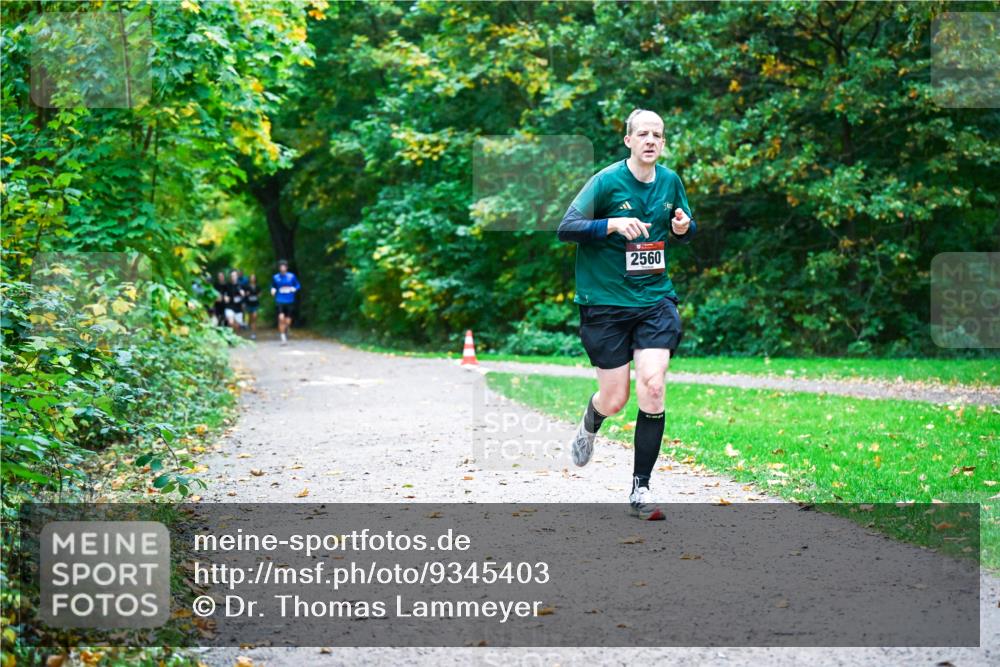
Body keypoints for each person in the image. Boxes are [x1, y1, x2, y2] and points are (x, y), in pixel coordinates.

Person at [556, 108, 697, 521]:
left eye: (658, 134)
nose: (651, 140)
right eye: (643, 134)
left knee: (653, 386)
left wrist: (684, 227)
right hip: (604, 303)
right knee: (616, 398)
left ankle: (641, 487)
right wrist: (612, 225)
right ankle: (591, 421)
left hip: (654, 299)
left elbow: (683, 228)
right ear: (629, 141)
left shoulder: (671, 181)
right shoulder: (605, 181)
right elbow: (567, 227)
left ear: (663, 142)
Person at [270, 259, 300, 345]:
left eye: (284, 267)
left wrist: (294, 288)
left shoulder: (292, 276)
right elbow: (273, 286)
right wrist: (273, 290)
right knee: (281, 318)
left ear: (286, 268)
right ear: (279, 268)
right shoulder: (275, 277)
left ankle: (286, 330)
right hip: (280, 300)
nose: (282, 268)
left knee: (287, 321)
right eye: (281, 267)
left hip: (290, 300)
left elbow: (297, 285)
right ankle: (283, 337)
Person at [222, 269, 245, 334]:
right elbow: (224, 294)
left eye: (234, 276)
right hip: (229, 306)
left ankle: (235, 337)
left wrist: (243, 294)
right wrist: (225, 297)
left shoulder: (241, 285)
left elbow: (245, 295)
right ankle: (231, 336)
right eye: (232, 276)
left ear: (237, 276)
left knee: (237, 326)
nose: (233, 277)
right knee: (231, 322)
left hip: (238, 307)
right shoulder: (227, 285)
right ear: (230, 277)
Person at [244, 273, 261, 340]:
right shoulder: (247, 286)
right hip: (249, 304)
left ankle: (253, 333)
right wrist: (246, 294)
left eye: (253, 277)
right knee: (250, 318)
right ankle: (249, 328)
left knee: (254, 317)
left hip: (255, 304)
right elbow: (244, 295)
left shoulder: (257, 286)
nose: (252, 279)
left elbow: (260, 293)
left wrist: (258, 296)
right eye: (251, 277)